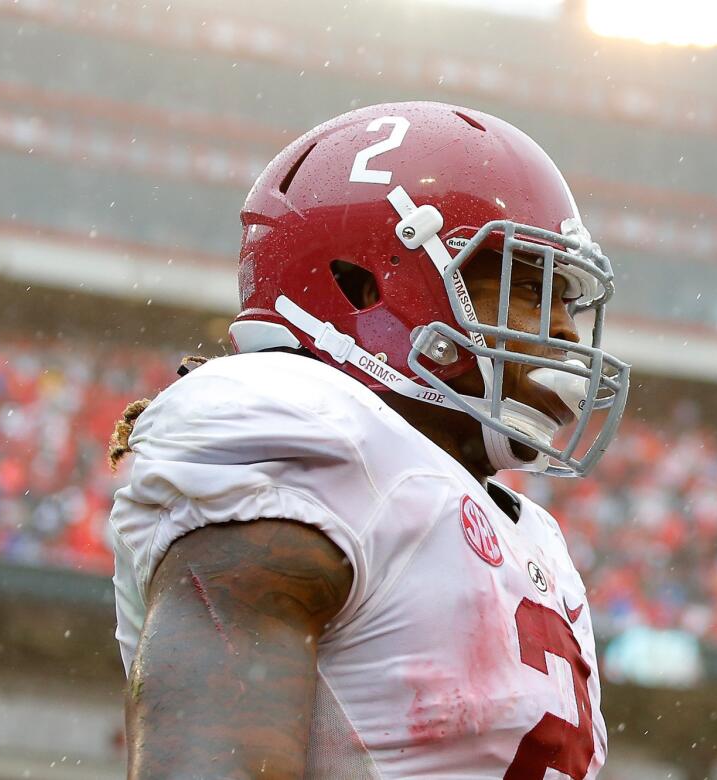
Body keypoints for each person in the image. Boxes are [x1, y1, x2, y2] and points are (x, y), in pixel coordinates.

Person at [106, 101, 630, 779]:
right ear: (364, 283)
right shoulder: (309, 431)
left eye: (568, 301)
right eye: (527, 287)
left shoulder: (532, 537)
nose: (563, 332)